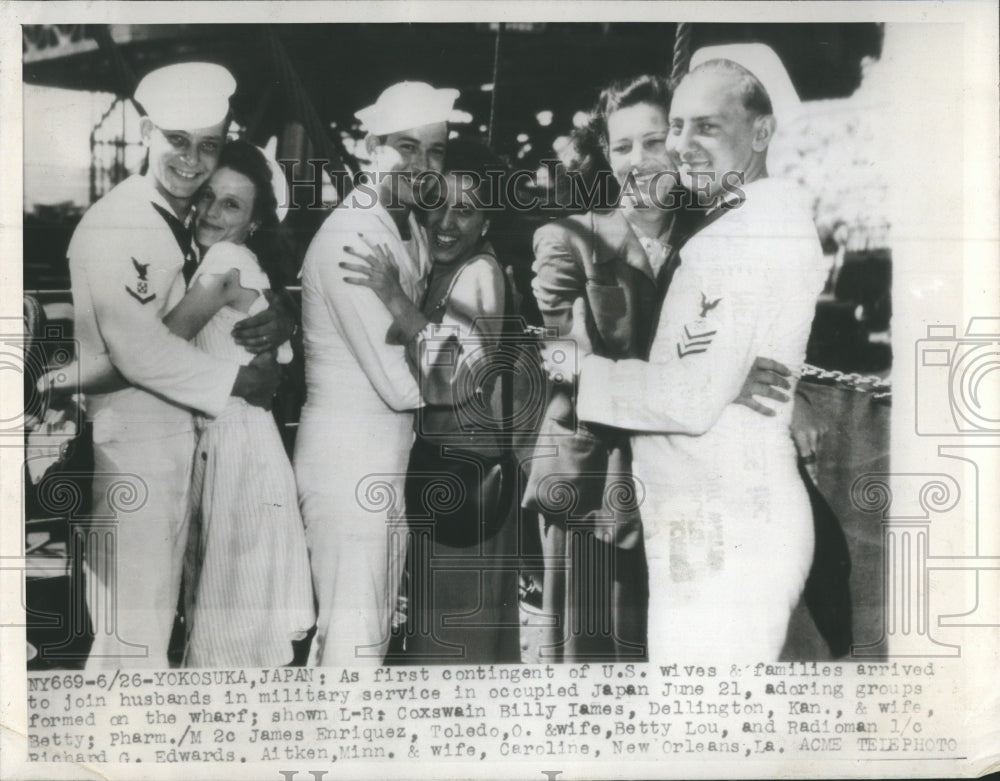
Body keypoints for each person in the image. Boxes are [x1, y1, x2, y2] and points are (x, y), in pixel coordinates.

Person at [545, 44, 827, 660]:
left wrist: (580, 371)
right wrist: (725, 376)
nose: (680, 145)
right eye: (678, 125)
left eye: (707, 126)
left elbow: (689, 398)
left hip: (727, 525)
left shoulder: (736, 237)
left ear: (761, 132)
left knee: (704, 727)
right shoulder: (748, 222)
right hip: (703, 519)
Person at [63, 62, 294, 669]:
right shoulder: (123, 220)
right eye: (178, 141)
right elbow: (140, 351)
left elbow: (226, 285)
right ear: (144, 133)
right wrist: (239, 380)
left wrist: (278, 310)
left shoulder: (174, 224)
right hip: (133, 451)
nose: (192, 161)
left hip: (173, 448)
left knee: (150, 631)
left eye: (208, 146)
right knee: (131, 644)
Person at [295, 81, 457, 666]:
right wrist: (465, 368)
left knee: (363, 630)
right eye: (406, 147)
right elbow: (402, 385)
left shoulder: (405, 226)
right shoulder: (354, 237)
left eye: (435, 150)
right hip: (348, 461)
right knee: (355, 639)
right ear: (370, 147)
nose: (423, 164)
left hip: (382, 461)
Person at [340, 140, 520, 663]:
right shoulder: (441, 267)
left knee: (451, 650)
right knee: (441, 640)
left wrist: (393, 296)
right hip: (445, 480)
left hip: (470, 486)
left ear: (487, 222)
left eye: (465, 210)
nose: (445, 221)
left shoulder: (479, 273)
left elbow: (457, 382)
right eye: (438, 201)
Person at [175, 141, 315, 667]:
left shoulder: (226, 259)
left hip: (239, 458)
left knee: (226, 637)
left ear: (253, 223)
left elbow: (160, 345)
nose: (212, 211)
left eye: (232, 205)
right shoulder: (235, 262)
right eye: (208, 196)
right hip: (234, 448)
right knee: (228, 626)